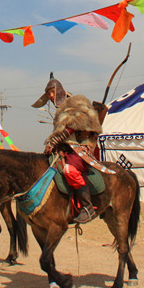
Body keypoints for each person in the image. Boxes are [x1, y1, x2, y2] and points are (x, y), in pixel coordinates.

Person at [32, 75, 104, 224]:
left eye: (52, 92)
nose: (51, 96)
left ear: (58, 90)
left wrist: (54, 140)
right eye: (48, 94)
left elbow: (73, 126)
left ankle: (87, 207)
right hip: (68, 149)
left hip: (83, 147)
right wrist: (55, 145)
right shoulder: (60, 111)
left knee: (69, 170)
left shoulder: (75, 103)